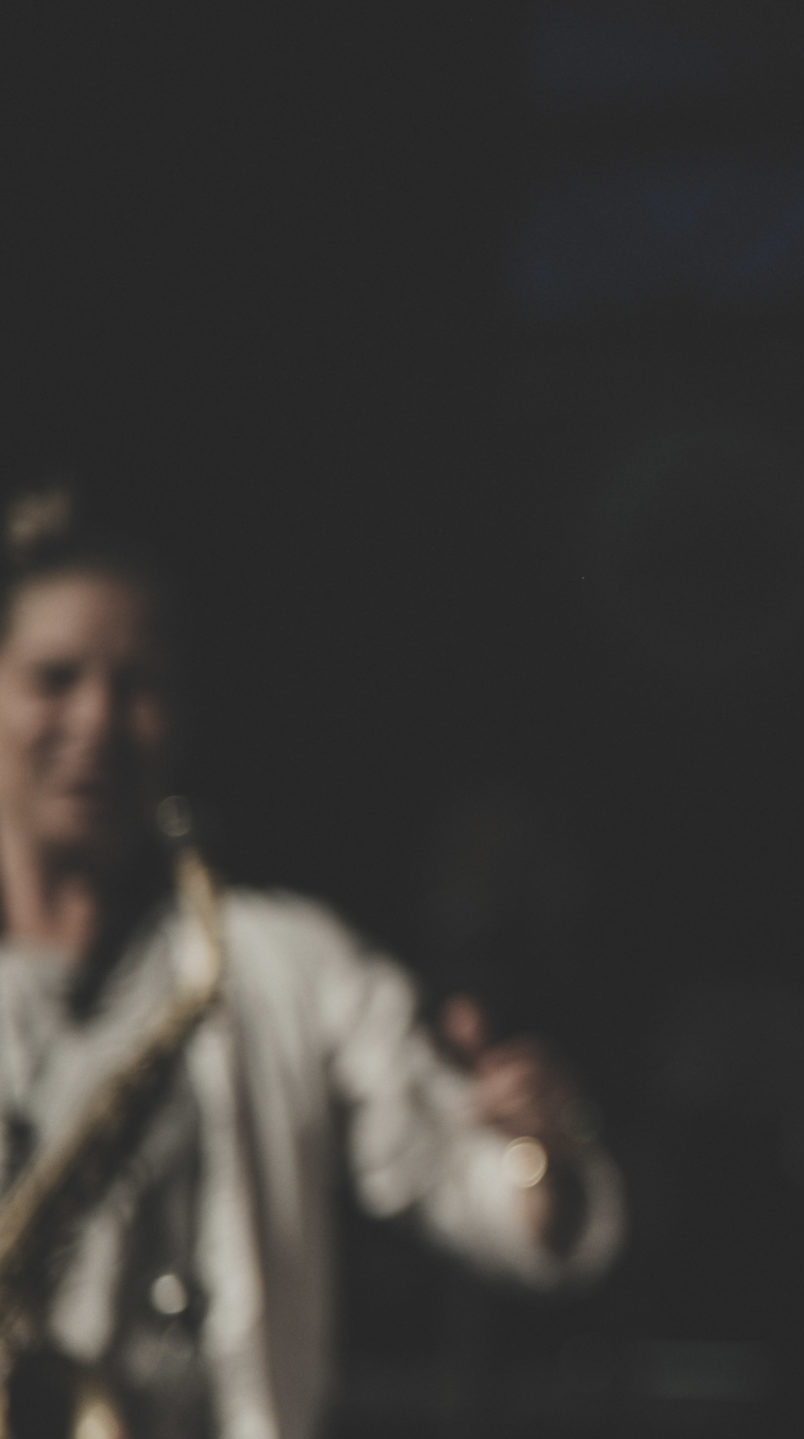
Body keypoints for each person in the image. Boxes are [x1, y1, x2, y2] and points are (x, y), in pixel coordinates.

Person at [0, 487, 622, 1439]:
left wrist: (541, 1145)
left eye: (138, 685)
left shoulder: (287, 961)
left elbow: (499, 1204)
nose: (97, 721)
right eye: (55, 678)